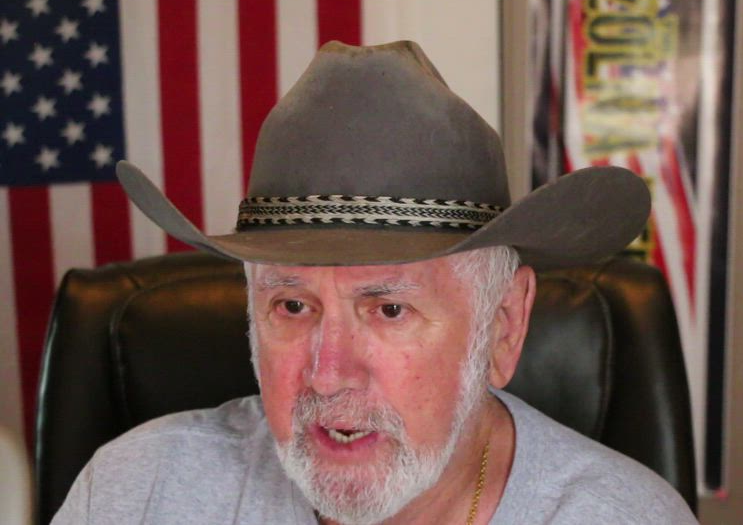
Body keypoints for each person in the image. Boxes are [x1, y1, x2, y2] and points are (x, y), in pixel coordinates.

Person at [52, 41, 697, 525]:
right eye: (293, 305)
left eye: (388, 309)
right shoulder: (135, 492)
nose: (328, 375)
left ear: (503, 325)